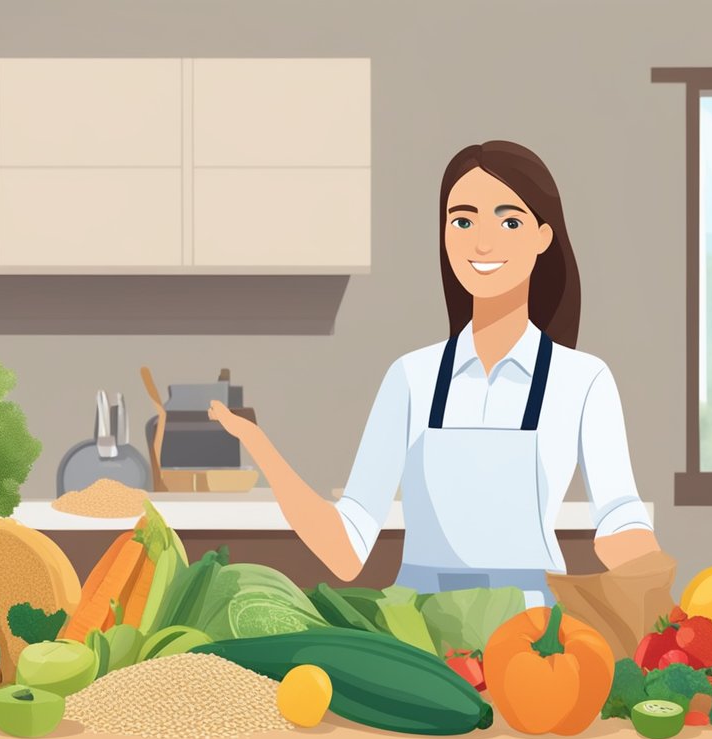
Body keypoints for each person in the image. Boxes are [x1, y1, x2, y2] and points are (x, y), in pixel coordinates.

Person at [209, 140, 659, 606]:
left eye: (509, 222)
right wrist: (259, 445)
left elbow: (619, 517)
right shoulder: (411, 377)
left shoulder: (582, 380)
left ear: (543, 237)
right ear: (444, 235)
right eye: (463, 221)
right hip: (418, 629)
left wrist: (655, 592)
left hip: (528, 636)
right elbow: (347, 548)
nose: (483, 243)